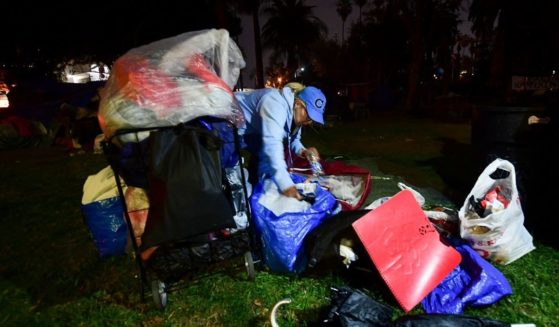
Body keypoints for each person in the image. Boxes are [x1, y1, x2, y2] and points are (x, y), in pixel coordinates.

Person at [235, 82, 326, 200]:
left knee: (265, 164)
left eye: (313, 119)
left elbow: (294, 140)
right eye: (309, 116)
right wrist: (286, 185)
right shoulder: (275, 103)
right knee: (231, 173)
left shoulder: (296, 115)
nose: (309, 122)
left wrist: (304, 151)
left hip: (253, 130)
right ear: (298, 104)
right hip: (228, 119)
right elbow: (272, 145)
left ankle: (259, 189)